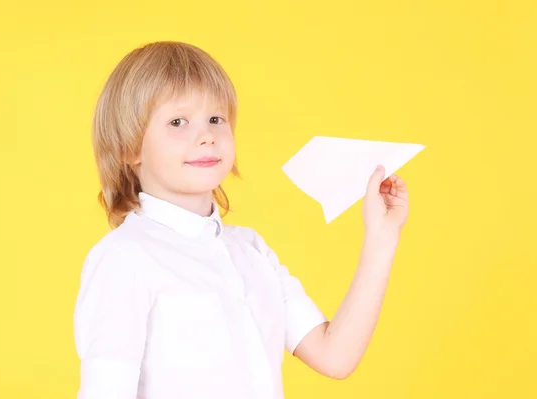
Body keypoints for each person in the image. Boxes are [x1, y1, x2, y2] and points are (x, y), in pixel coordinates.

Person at [73, 41, 409, 399]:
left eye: (216, 119)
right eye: (177, 121)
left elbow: (334, 356)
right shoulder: (124, 258)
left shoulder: (251, 251)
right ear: (129, 148)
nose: (206, 136)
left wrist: (381, 236)